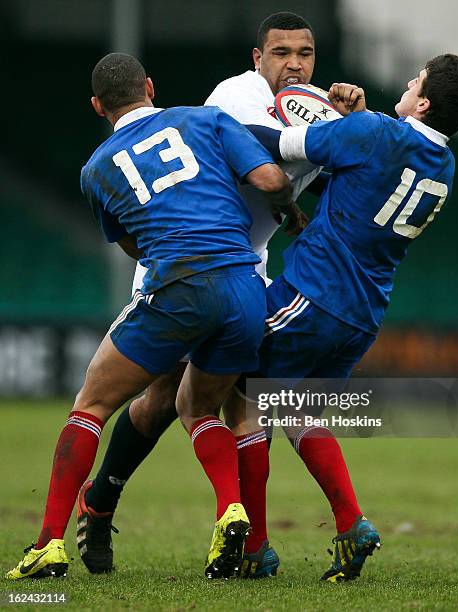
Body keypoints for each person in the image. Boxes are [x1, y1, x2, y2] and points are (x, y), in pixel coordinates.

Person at [6, 52, 300, 581]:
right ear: (149, 85)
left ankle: (48, 543)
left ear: (97, 106)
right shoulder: (205, 119)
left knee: (92, 402)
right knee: (200, 405)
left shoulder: (95, 170)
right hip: (245, 288)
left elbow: (130, 243)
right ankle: (230, 509)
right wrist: (292, 214)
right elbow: (271, 179)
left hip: (177, 286)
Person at [78, 11, 337, 579]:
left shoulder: (318, 111)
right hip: (184, 261)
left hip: (246, 268)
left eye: (306, 53)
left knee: (246, 400)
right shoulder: (236, 95)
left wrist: (351, 118)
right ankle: (101, 504)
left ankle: (248, 543)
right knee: (162, 398)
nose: (294, 63)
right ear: (257, 58)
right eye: (281, 52)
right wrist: (332, 137)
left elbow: (347, 163)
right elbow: (267, 160)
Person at [237, 53, 458, 582]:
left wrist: (215, 121)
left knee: (244, 395)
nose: (407, 80)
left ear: (425, 101)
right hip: (364, 314)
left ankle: (254, 547)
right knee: (297, 412)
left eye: (414, 79)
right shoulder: (444, 164)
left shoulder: (373, 132)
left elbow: (280, 145)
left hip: (315, 294)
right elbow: (355, 184)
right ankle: (350, 526)